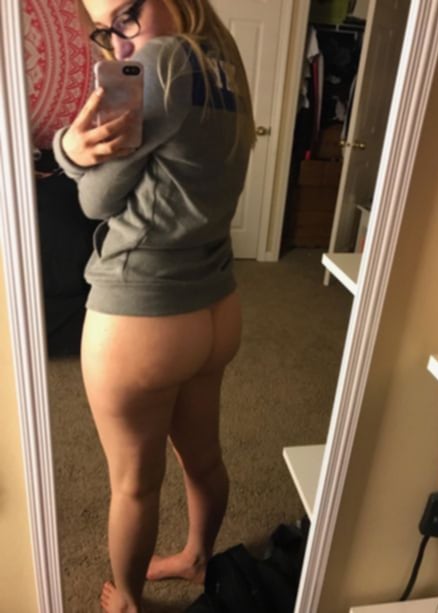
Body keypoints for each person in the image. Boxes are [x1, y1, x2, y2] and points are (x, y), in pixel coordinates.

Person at [52, 1, 255, 611]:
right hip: (216, 304)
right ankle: (196, 557)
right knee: (203, 459)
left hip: (143, 312)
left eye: (127, 15)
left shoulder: (158, 65)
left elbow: (95, 199)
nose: (120, 44)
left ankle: (130, 602)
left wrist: (67, 148)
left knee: (134, 485)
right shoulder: (225, 64)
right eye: (106, 30)